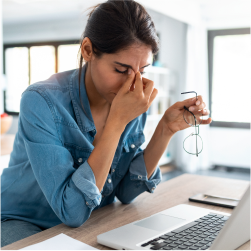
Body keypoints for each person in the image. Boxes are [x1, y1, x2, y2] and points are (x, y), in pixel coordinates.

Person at [0, 0, 212, 248]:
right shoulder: (41, 101)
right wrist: (117, 122)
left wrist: (165, 129)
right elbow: (72, 212)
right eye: (121, 69)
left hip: (91, 218)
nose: (132, 84)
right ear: (88, 50)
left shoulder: (132, 99)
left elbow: (125, 192)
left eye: (142, 70)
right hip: (24, 221)